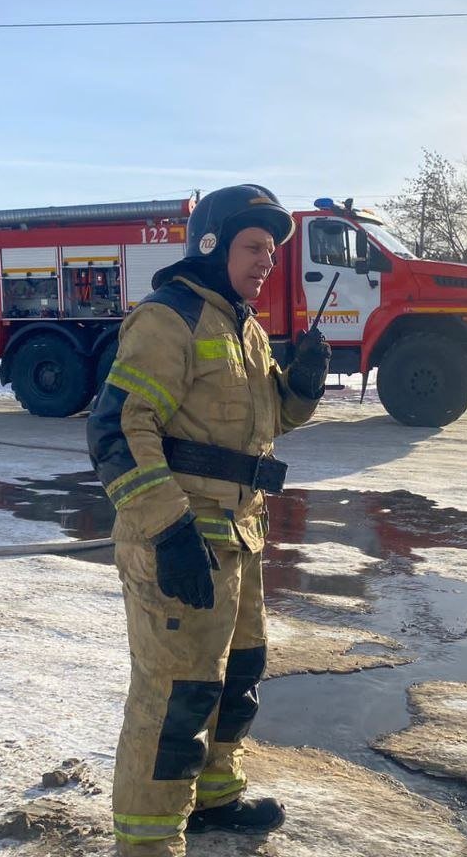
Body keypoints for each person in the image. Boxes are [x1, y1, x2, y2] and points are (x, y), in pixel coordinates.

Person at [87, 185, 331, 857]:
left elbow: (262, 424)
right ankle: (148, 841)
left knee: (236, 675)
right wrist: (169, 532)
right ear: (212, 243)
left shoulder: (242, 327)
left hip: (237, 537)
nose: (266, 261)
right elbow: (117, 427)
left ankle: (213, 797)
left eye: (273, 252)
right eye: (254, 247)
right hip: (182, 541)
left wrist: (301, 386)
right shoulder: (170, 319)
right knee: (174, 695)